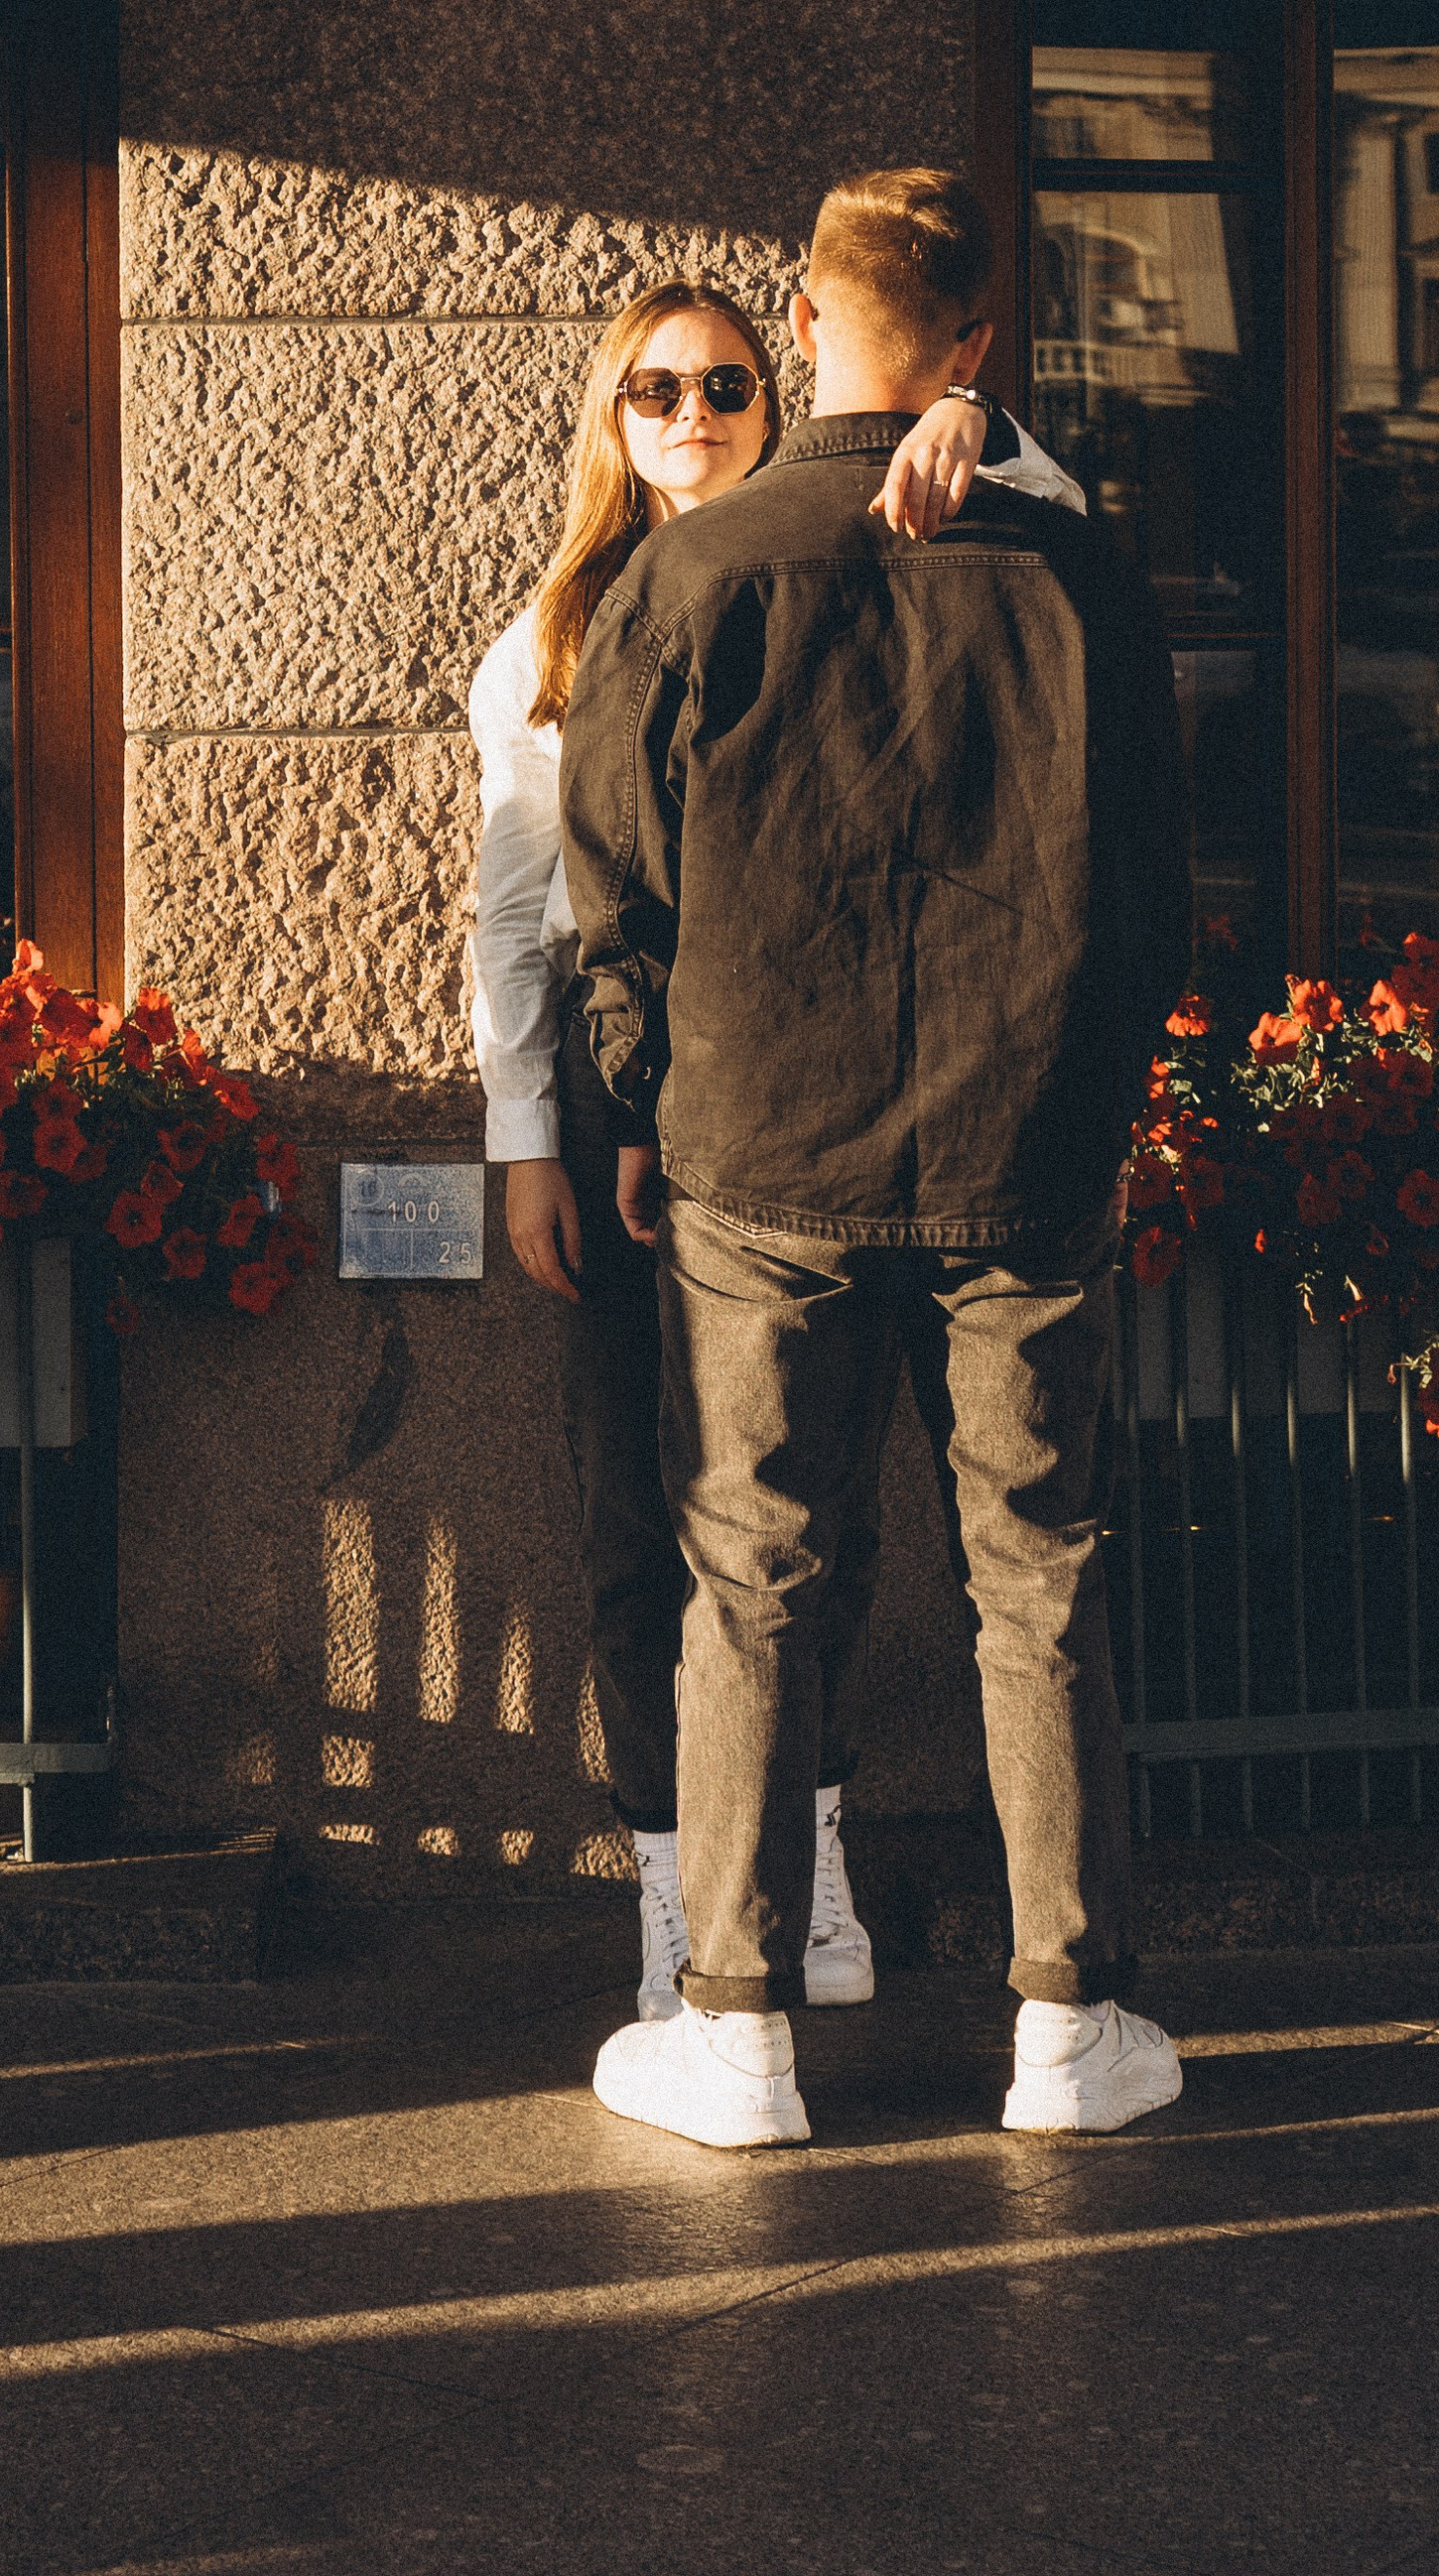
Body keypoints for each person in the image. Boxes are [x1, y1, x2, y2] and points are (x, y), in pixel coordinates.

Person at [558, 171, 1190, 2149]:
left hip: (760, 1149)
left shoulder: (703, 566)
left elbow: (610, 884)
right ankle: (1065, 2021)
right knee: (1042, 1568)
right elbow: (1157, 894)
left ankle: (735, 2027)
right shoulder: (1073, 576)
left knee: (749, 1567)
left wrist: (644, 1089)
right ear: (978, 348)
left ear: (803, 320)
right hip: (1020, 1151)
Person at [469, 275, 1082, 2025]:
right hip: (615, 1112)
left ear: (780, 386)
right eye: (651, 386)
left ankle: (797, 1907)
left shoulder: (882, 542)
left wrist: (989, 425)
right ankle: (681, 1910)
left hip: (807, 1098)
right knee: (634, 1515)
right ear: (613, 414)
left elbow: (1068, 542)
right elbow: (515, 915)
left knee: (809, 1520)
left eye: (726, 380)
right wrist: (531, 1145)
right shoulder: (562, 631)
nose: (689, 410)